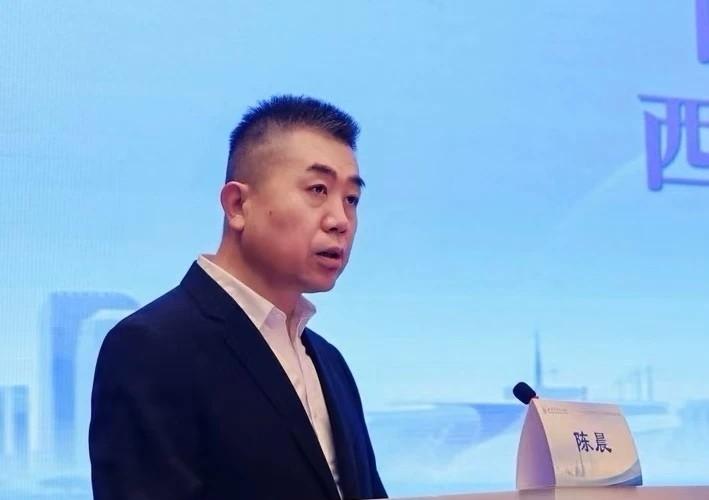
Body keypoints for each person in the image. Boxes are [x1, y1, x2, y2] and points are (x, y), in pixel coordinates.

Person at [89, 95, 387, 500]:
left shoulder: (329, 362)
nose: (340, 220)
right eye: (318, 189)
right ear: (237, 205)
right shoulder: (150, 347)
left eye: (351, 199)